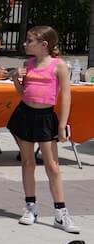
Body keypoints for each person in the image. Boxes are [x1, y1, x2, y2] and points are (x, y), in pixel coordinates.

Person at [9, 26, 79, 233]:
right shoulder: (27, 64)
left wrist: (62, 124)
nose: (25, 44)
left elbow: (66, 96)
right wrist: (15, 78)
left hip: (46, 118)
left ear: (44, 45)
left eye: (29, 41)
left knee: (53, 166)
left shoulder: (59, 66)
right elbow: (24, 93)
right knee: (27, 162)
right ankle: (30, 206)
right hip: (24, 115)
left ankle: (61, 212)